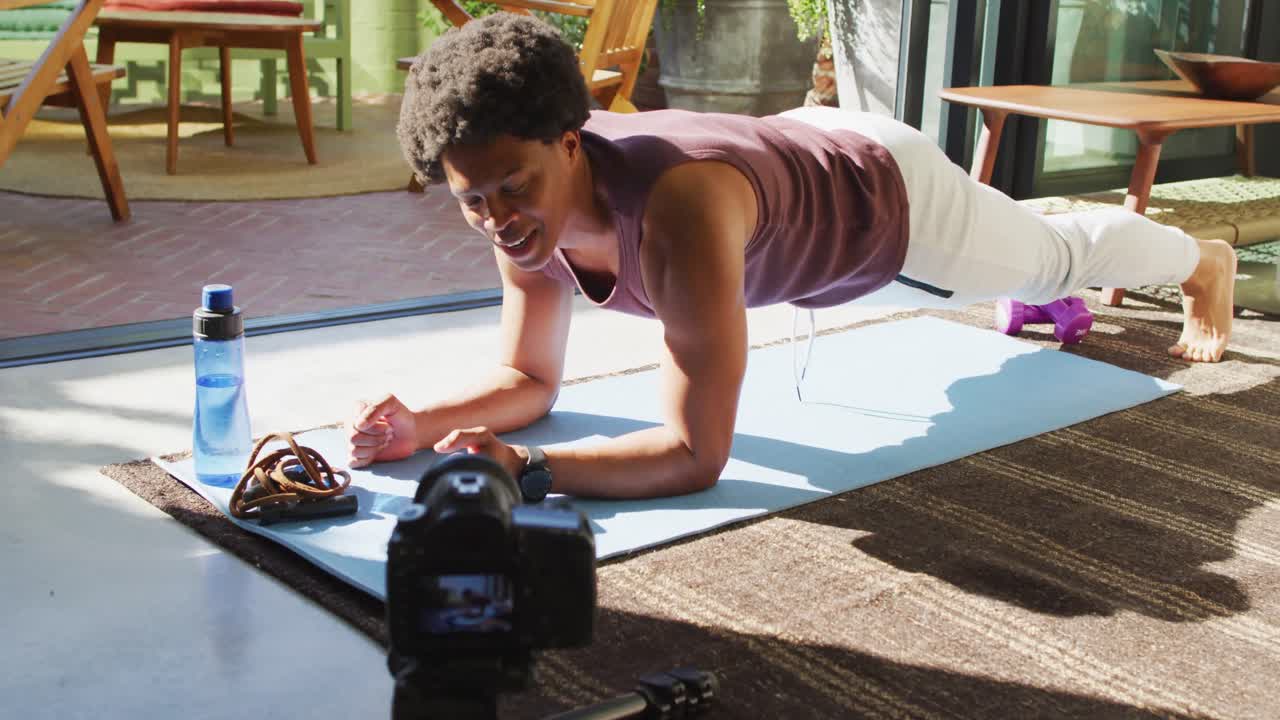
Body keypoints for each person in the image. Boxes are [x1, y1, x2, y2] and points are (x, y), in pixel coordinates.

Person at [347, 13, 1236, 499]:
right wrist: (417, 425)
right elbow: (529, 381)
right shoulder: (520, 217)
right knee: (1030, 259)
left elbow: (696, 455)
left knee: (1051, 259)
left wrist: (532, 470)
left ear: (570, 142)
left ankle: (1202, 260)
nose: (497, 219)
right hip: (789, 146)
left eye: (511, 187)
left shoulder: (678, 214)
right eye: (472, 200)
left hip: (884, 193)